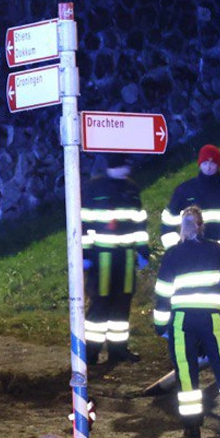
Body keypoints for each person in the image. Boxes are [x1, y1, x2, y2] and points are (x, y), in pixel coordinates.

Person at [153, 206, 220, 438]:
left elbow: (162, 293)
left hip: (182, 320)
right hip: (211, 318)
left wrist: (160, 326)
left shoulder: (172, 255)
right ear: (201, 226)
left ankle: (192, 425)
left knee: (185, 369)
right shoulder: (216, 249)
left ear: (181, 227)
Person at [80, 153, 149, 363]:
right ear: (113, 165)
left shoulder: (132, 189)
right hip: (102, 258)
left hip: (126, 257)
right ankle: (90, 354)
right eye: (123, 165)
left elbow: (140, 222)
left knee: (122, 305)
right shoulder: (95, 188)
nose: (127, 169)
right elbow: (84, 224)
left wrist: (143, 250)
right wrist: (85, 254)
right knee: (100, 307)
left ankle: (118, 351)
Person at [161, 144, 220, 329]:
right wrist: (175, 251)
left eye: (212, 162)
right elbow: (168, 220)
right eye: (205, 162)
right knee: (198, 300)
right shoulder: (185, 191)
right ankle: (201, 344)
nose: (209, 166)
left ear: (219, 164)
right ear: (199, 164)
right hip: (193, 259)